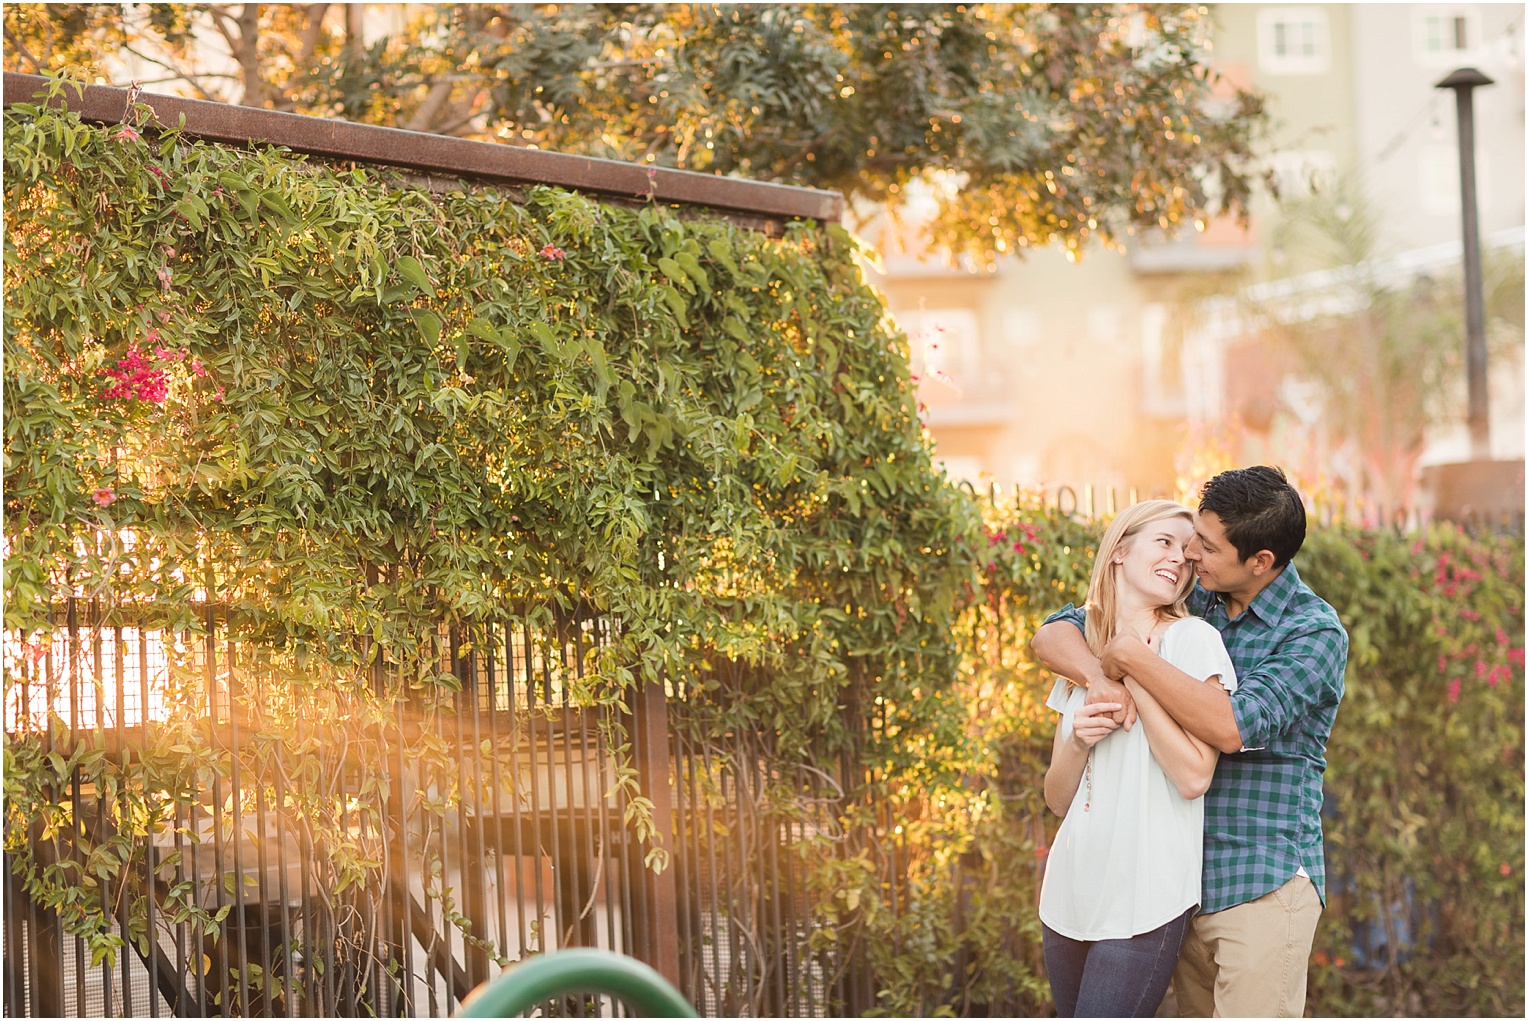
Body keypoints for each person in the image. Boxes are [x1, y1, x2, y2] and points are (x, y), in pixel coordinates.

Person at [1032, 465, 1349, 1018]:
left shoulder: (1311, 633)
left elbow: (1232, 726)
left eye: (1205, 546)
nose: (1189, 556)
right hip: (1179, 884)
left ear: (1261, 562)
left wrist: (1132, 659)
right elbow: (1058, 629)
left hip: (1259, 878)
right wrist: (1102, 679)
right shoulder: (1198, 596)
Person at [1038, 499, 1236, 1018]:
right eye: (1164, 543)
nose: (1180, 559)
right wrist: (1078, 741)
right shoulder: (1081, 651)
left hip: (1144, 901)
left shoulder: (1194, 639)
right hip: (1069, 897)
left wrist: (1136, 672)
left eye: (1188, 553)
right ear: (1120, 551)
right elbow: (1057, 800)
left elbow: (1195, 776)